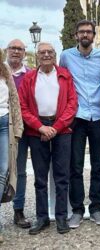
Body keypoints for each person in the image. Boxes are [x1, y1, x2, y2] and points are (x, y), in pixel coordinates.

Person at [19, 42, 77, 235]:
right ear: (37, 56)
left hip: (61, 129)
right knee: (40, 178)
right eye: (42, 52)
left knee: (62, 176)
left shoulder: (64, 75)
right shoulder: (29, 78)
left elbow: (72, 104)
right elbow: (23, 107)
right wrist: (41, 127)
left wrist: (56, 127)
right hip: (37, 131)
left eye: (49, 52)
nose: (46, 55)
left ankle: (61, 217)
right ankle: (42, 218)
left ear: (55, 55)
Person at [60, 20, 100, 228]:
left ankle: (96, 207)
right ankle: (78, 210)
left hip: (98, 116)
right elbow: (61, 81)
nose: (85, 35)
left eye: (89, 31)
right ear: (76, 35)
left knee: (98, 165)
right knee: (75, 165)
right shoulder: (66, 56)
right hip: (77, 117)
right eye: (82, 32)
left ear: (94, 35)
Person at [6, 39, 31, 229]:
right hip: (5, 127)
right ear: (7, 51)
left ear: (24, 52)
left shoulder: (30, 74)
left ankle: (18, 209)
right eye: (13, 48)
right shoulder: (1, 71)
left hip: (27, 129)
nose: (16, 51)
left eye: (19, 49)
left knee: (20, 171)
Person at [0, 49, 23, 244]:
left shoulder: (5, 69)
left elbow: (14, 100)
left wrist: (18, 128)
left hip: (4, 124)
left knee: (3, 171)